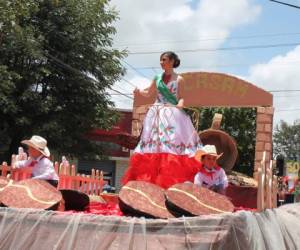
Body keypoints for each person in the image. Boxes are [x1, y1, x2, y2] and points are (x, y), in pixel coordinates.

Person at [122, 51, 203, 189]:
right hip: (157, 112)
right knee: (153, 145)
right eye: (160, 60)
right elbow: (149, 93)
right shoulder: (157, 78)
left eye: (164, 60)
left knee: (172, 145)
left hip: (172, 112)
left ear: (172, 61)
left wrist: (180, 105)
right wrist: (138, 92)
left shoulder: (179, 79)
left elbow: (182, 97)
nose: (161, 62)